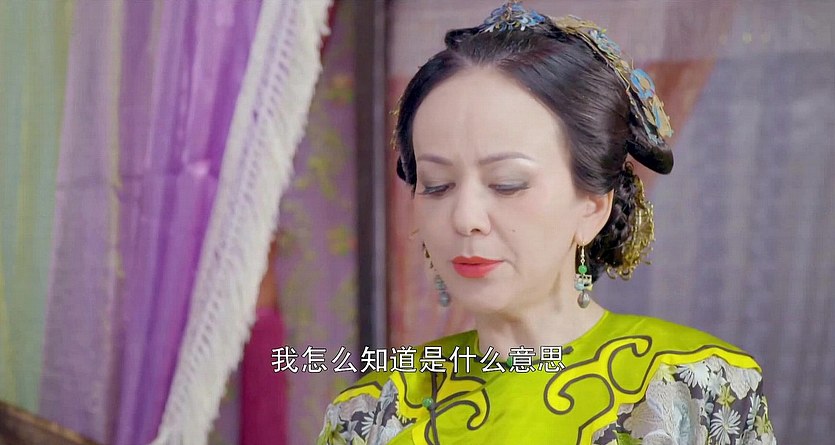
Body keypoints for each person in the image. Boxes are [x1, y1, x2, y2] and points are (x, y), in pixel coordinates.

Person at [318, 2, 776, 444]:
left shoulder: (697, 386)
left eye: (507, 183)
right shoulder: (373, 411)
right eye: (437, 185)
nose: (465, 218)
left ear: (592, 206)